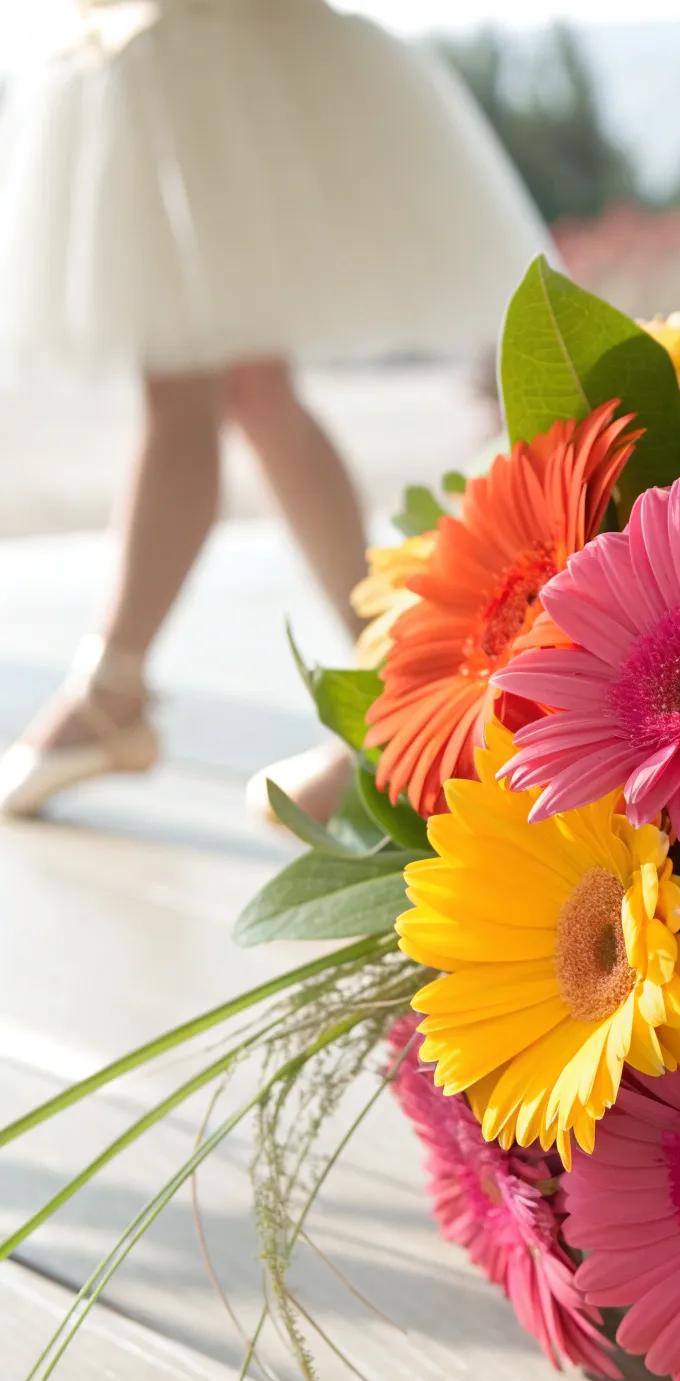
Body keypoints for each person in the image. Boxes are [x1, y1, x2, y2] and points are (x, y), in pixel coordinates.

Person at [0, 0, 546, 819]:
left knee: (213, 380)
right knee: (241, 382)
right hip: (146, 44)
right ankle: (385, 700)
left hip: (214, 43)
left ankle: (124, 692)